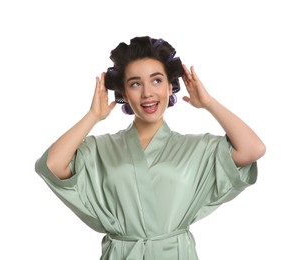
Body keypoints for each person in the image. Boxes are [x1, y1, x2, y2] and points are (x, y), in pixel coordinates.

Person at [35, 36, 266, 260]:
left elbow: (253, 149)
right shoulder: (100, 148)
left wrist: (208, 103)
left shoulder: (196, 148)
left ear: (169, 87)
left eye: (157, 80)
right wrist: (93, 116)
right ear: (125, 93)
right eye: (135, 84)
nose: (147, 93)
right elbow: (52, 165)